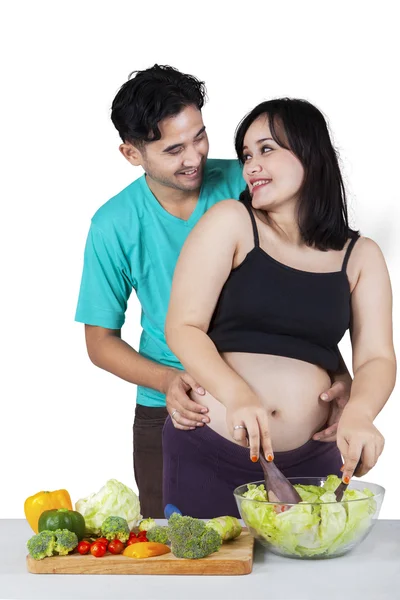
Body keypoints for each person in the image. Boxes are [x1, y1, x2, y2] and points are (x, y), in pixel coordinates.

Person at [75, 66, 352, 518]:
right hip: (176, 409)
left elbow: (300, 292)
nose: (195, 157)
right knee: (180, 557)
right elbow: (99, 342)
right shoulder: (113, 225)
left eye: (200, 136)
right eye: (174, 149)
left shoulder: (248, 185)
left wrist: (335, 372)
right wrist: (169, 382)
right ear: (131, 153)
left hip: (266, 409)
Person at [164, 98, 396, 518]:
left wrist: (361, 413)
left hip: (312, 461)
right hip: (211, 449)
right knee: (205, 578)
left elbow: (378, 357)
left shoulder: (361, 257)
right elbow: (183, 327)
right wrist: (237, 395)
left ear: (310, 153)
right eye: (246, 155)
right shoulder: (231, 221)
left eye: (266, 149)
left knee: (308, 582)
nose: (251, 165)